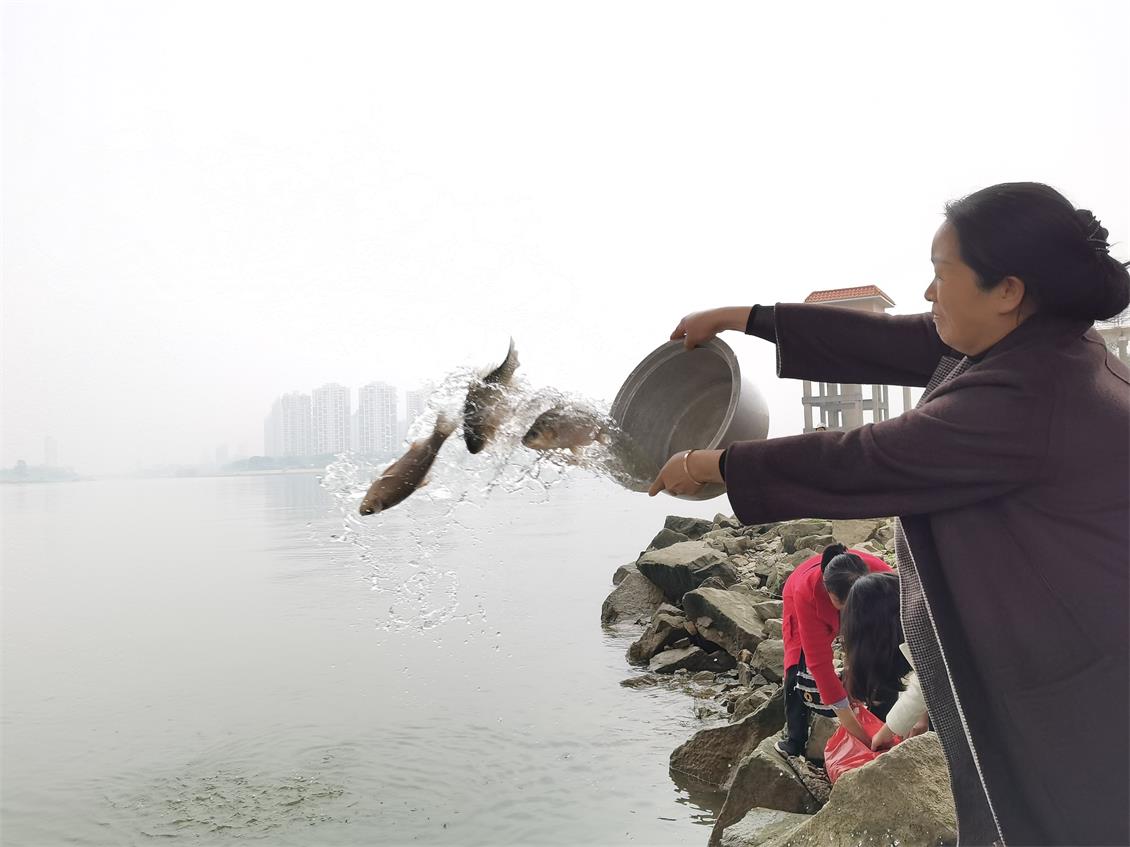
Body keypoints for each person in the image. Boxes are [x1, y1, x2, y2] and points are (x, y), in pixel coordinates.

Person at [648, 183, 1129, 846]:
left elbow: (870, 457)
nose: (929, 294)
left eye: (940, 274)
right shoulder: (1032, 344)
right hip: (1059, 666)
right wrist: (741, 316)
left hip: (1064, 696)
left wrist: (715, 465)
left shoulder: (1033, 392)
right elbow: (883, 341)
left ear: (1008, 289)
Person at [777, 543, 891, 758]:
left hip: (865, 602)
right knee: (797, 663)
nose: (848, 613)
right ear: (828, 592)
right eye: (844, 607)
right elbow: (818, 663)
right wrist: (863, 738)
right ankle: (795, 740)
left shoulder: (882, 576)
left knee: (877, 655)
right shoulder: (806, 591)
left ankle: (883, 718)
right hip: (802, 595)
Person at [838, 571, 928, 746]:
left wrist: (890, 730)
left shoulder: (931, 631)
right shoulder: (917, 614)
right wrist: (894, 727)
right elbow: (924, 676)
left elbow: (931, 676)